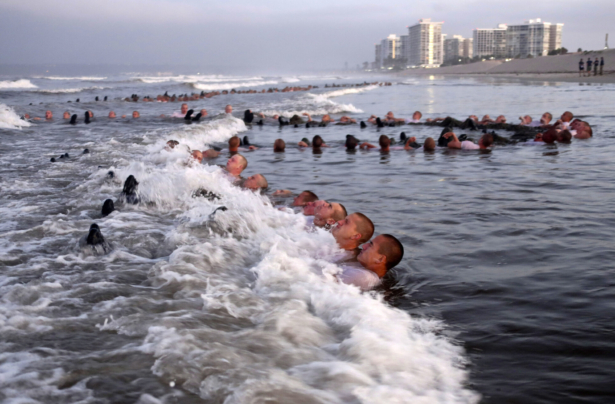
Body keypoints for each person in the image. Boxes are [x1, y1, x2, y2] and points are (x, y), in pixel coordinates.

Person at [338, 234, 404, 290]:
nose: (364, 246)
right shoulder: (363, 268)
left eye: (370, 245)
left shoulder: (363, 277)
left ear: (380, 259)